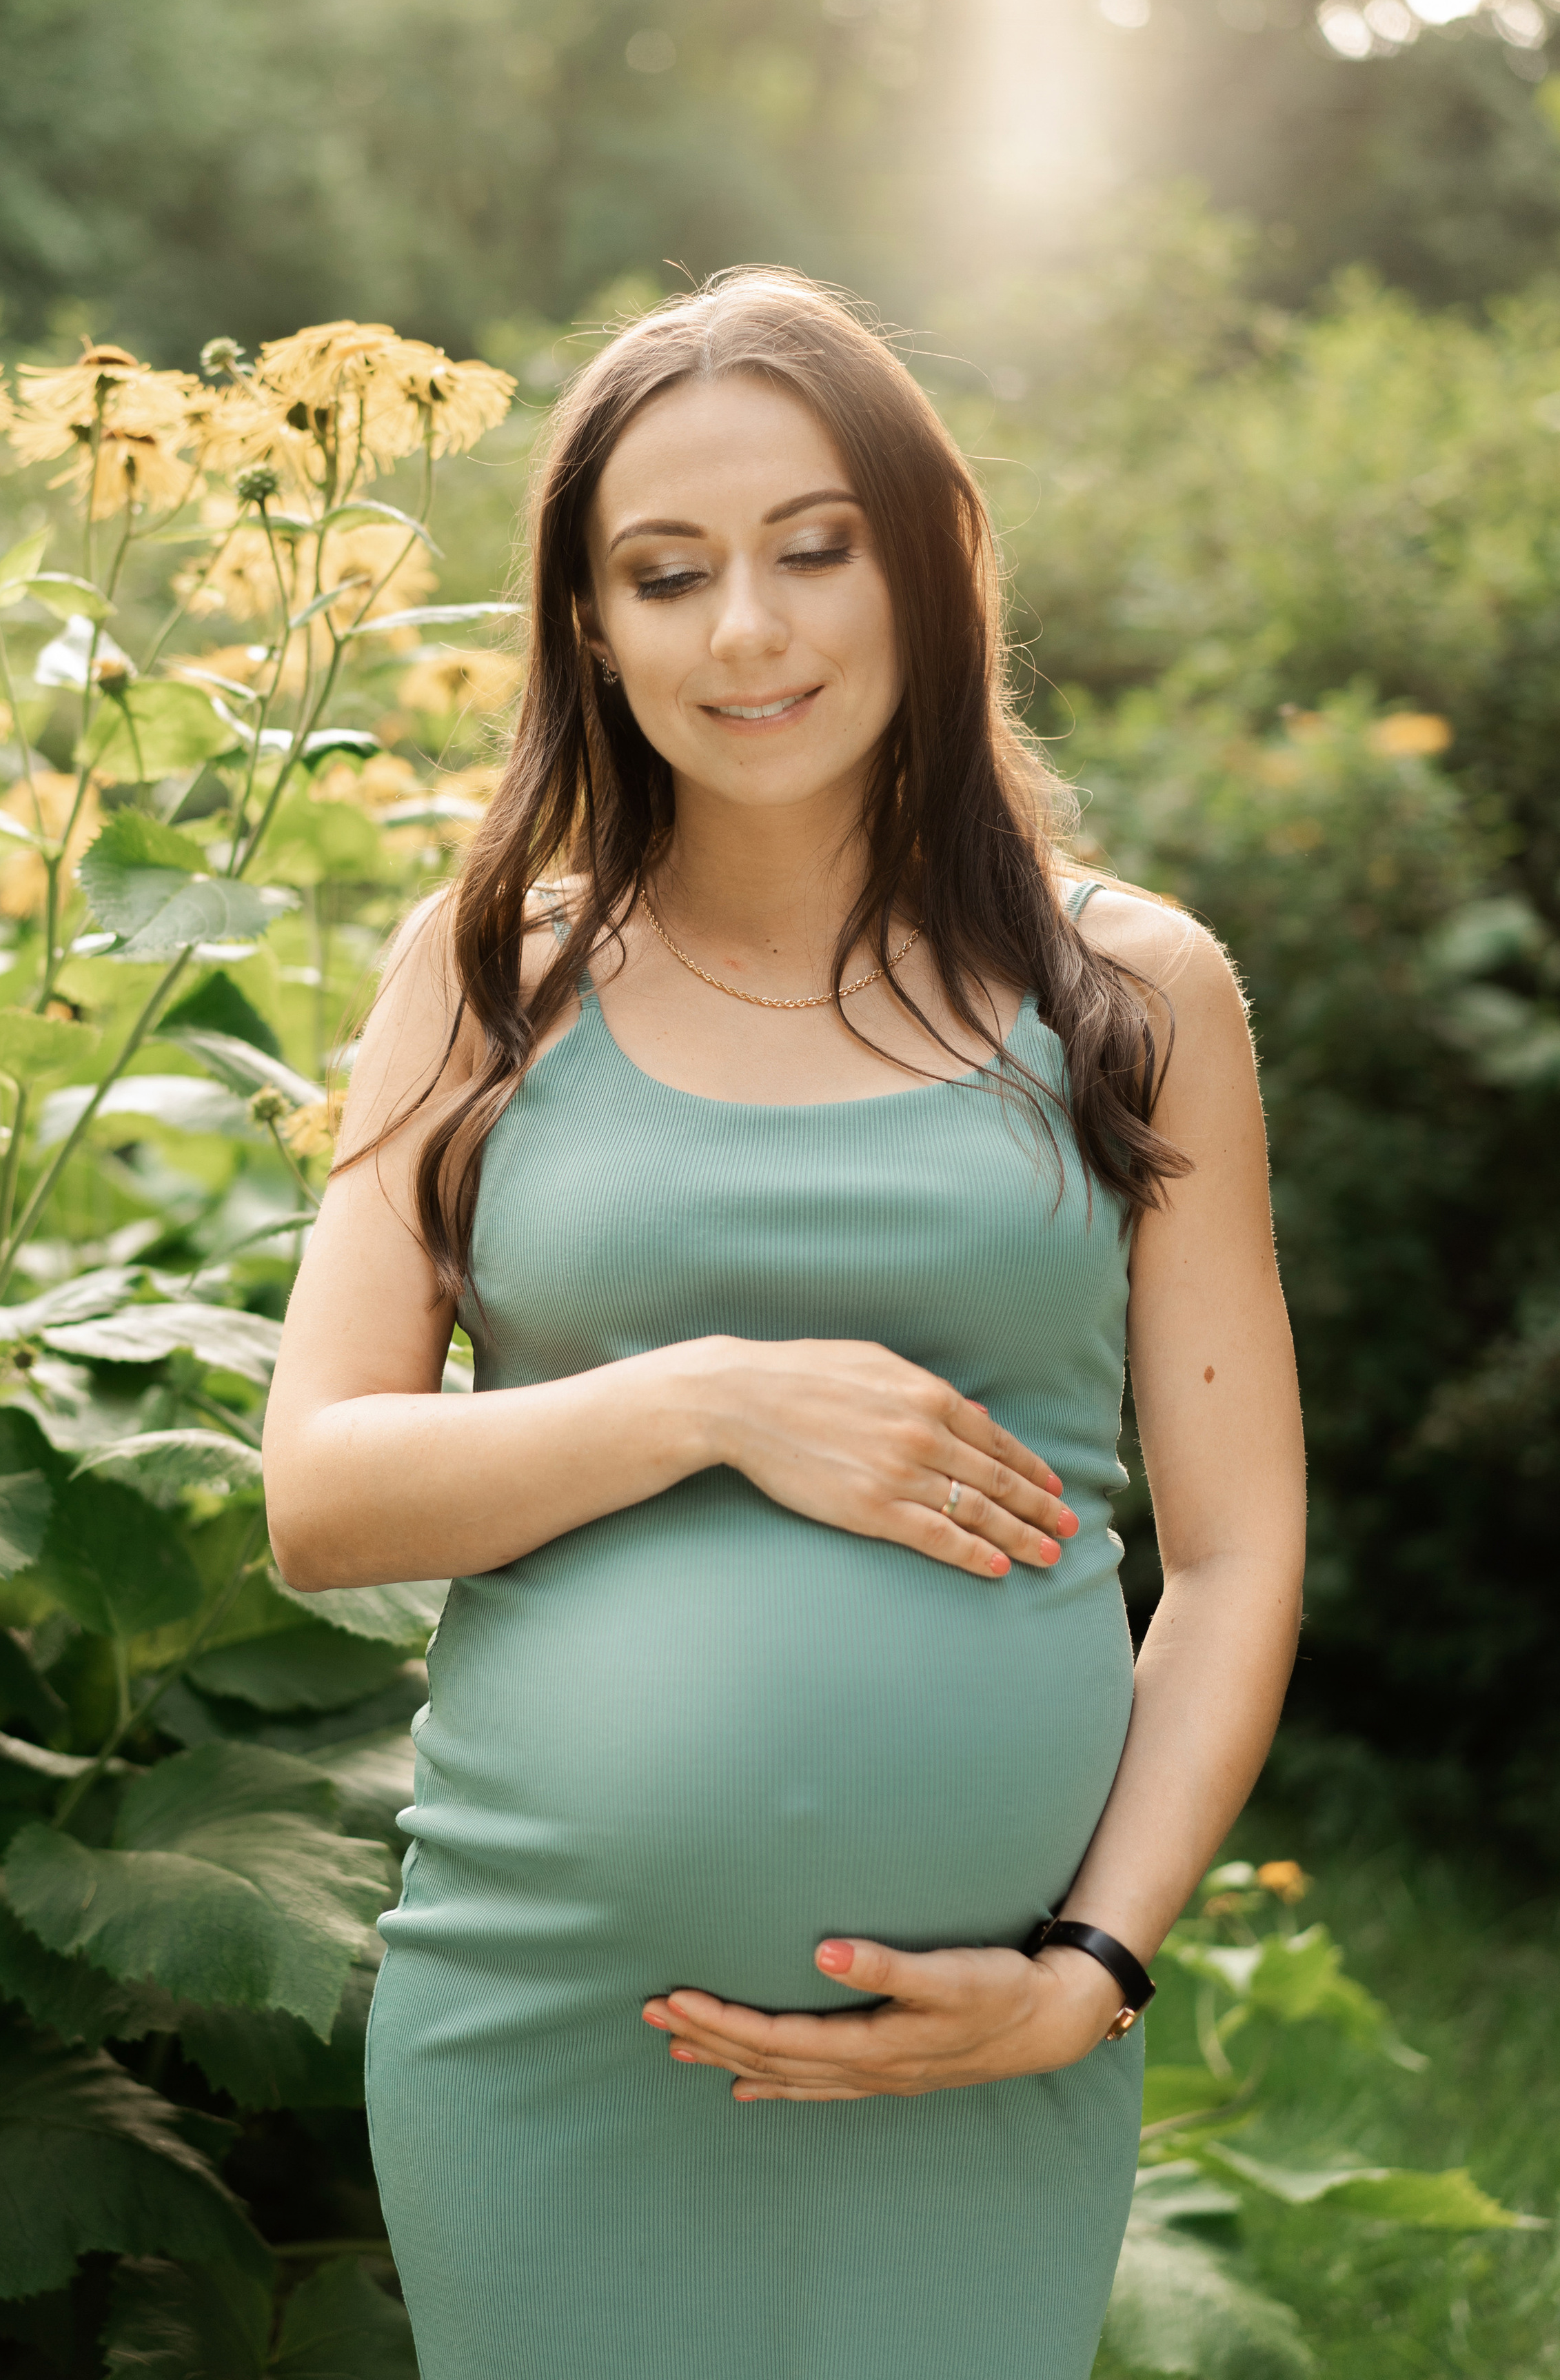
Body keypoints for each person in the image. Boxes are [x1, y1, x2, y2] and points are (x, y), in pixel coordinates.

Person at [262, 270, 1306, 2380]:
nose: (747, 631)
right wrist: (715, 1401)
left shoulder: (1133, 993)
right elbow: (323, 1495)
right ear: (592, 626)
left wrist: (1093, 1970)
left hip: (987, 2045)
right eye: (670, 573)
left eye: (814, 550)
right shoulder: (489, 978)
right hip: (547, 2029)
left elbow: (1234, 1554)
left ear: (928, 569)